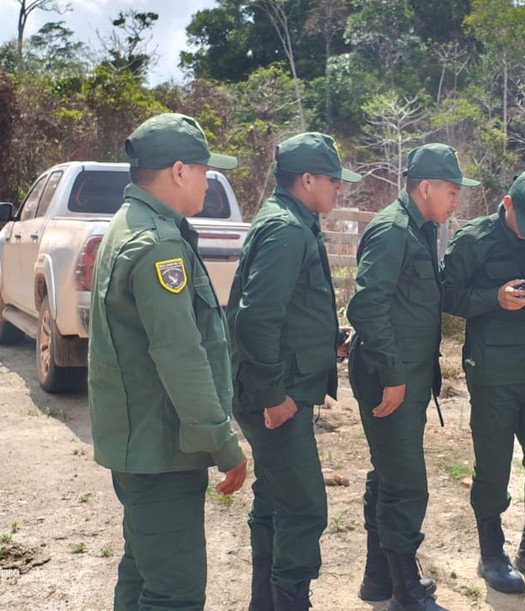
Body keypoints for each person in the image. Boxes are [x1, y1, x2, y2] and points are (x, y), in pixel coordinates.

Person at [88, 112, 248, 611]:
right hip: (160, 449)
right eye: (203, 169)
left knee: (142, 573)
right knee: (173, 592)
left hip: (141, 444)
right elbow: (180, 354)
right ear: (179, 172)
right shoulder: (158, 244)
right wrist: (223, 440)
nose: (207, 180)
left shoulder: (133, 225)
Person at [226, 132, 361, 611]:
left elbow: (286, 312)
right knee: (303, 509)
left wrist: (328, 342)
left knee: (276, 500)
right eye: (332, 179)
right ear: (306, 179)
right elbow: (256, 316)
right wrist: (271, 395)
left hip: (278, 386)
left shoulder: (292, 221)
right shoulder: (287, 229)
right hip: (273, 397)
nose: (339, 188)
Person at [347, 143, 479, 611]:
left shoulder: (421, 229)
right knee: (405, 484)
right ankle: (404, 592)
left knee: (388, 476)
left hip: (405, 376)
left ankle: (379, 581)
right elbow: (366, 305)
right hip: (390, 378)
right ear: (425, 187)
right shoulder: (393, 230)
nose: (456, 201)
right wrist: (393, 373)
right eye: (451, 191)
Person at [441, 166, 525, 595]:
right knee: (493, 468)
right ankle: (492, 554)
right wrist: (494, 299)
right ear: (506, 205)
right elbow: (445, 292)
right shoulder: (473, 239)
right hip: (493, 374)